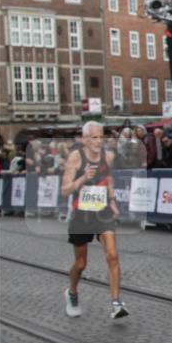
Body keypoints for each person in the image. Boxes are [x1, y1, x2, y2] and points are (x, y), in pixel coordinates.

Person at [59, 121, 129, 319]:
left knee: (113, 255)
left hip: (102, 211)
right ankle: (72, 292)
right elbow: (64, 190)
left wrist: (113, 200)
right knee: (81, 264)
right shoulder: (75, 157)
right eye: (94, 138)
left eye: (101, 137)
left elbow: (108, 178)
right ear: (84, 139)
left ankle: (116, 302)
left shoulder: (107, 156)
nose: (99, 141)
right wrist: (82, 178)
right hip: (81, 215)